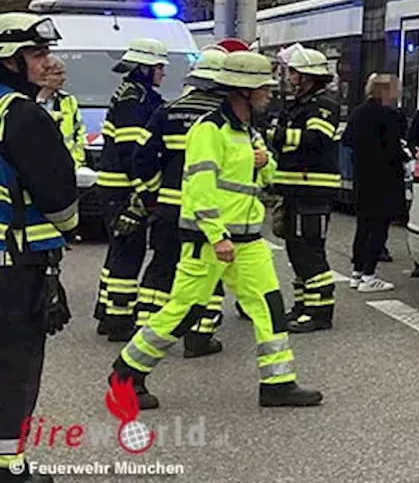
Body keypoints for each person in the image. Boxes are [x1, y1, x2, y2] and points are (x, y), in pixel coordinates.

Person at [109, 51, 323, 410]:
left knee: (269, 305)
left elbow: (265, 181)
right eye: (263, 89)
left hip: (247, 239)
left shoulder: (246, 131)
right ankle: (126, 374)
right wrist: (216, 234)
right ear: (242, 91)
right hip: (210, 241)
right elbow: (199, 187)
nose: (269, 95)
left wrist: (264, 161)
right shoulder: (209, 130)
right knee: (184, 310)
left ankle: (278, 383)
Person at [130, 42, 248, 360]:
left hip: (170, 208)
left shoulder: (166, 110)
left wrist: (153, 193)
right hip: (212, 212)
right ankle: (199, 336)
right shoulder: (229, 121)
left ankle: (146, 333)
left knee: (161, 269)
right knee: (209, 274)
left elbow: (141, 157)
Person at [0, 13, 78, 483]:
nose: (47, 61)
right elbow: (58, 193)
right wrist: (66, 228)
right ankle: (8, 466)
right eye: (36, 54)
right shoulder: (21, 115)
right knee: (14, 368)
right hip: (14, 265)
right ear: (10, 62)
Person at [94, 38, 169, 342]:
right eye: (159, 67)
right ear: (145, 67)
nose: (163, 72)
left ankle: (107, 310)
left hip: (116, 187)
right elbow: (131, 153)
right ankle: (119, 320)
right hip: (123, 189)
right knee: (129, 252)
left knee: (119, 250)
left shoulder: (136, 95)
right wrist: (145, 192)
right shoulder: (134, 100)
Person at [269, 47, 341, 333]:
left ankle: (320, 312)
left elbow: (317, 138)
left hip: (312, 190)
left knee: (309, 250)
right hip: (295, 189)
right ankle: (302, 306)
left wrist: (276, 135)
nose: (291, 77)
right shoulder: (300, 102)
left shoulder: (323, 103)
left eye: (295, 72)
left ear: (309, 76)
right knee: (296, 249)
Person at [341, 73, 406, 292]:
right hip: (384, 179)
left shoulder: (358, 113)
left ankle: (356, 273)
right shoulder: (388, 115)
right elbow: (394, 149)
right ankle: (369, 275)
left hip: (362, 177)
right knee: (379, 228)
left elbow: (347, 139)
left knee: (363, 227)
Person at [36, 56, 84, 170]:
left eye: (63, 73)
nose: (63, 78)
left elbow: (79, 135)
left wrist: (76, 163)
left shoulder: (68, 100)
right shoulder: (26, 101)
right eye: (58, 74)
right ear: (43, 76)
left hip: (67, 167)